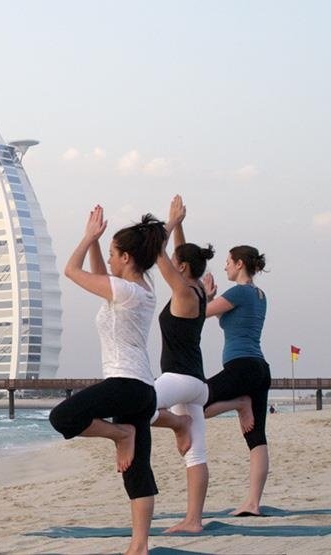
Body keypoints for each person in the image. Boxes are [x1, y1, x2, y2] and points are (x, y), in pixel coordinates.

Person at [49, 206, 166, 555]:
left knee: (63, 418)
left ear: (127, 257)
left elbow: (71, 271)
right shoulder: (140, 288)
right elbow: (103, 277)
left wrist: (87, 238)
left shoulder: (126, 291)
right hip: (144, 389)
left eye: (115, 255)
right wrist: (100, 243)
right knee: (137, 470)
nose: (111, 261)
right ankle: (139, 547)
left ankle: (120, 434)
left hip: (124, 383)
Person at [149, 195, 214, 533]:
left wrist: (170, 221)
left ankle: (177, 425)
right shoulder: (198, 290)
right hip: (195, 382)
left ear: (183, 267)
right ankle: (194, 521)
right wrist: (181, 227)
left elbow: (159, 254)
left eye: (178, 261)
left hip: (179, 378)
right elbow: (178, 253)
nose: (173, 263)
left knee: (134, 407)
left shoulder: (184, 290)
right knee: (196, 455)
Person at [201, 244, 270, 517]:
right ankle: (253, 504)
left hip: (241, 367)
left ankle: (239, 404)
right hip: (259, 369)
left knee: (197, 405)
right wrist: (211, 299)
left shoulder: (239, 292)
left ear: (240, 263)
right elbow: (220, 313)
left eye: (228, 262)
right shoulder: (259, 294)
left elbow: (201, 314)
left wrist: (204, 297)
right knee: (257, 439)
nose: (225, 266)